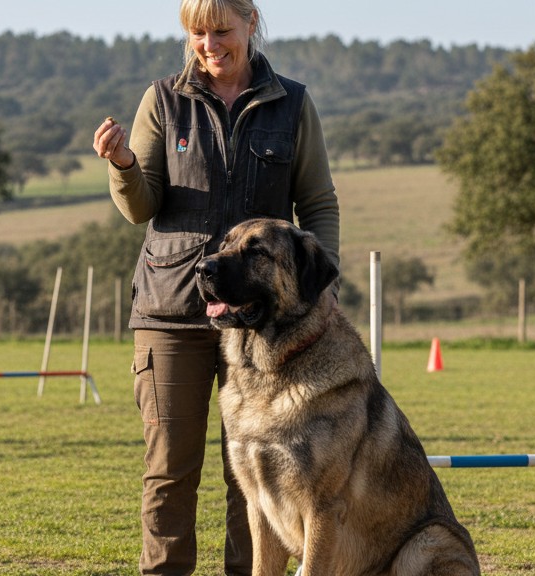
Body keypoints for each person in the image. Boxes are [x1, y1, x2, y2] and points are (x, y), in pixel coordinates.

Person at [92, 1, 339, 573]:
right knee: (169, 471)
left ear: (251, 23)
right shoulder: (162, 100)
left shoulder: (294, 103)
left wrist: (321, 288)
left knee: (250, 477)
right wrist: (123, 163)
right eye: (198, 33)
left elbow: (318, 202)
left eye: (222, 31)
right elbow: (141, 207)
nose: (209, 44)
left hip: (265, 329)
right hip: (170, 313)